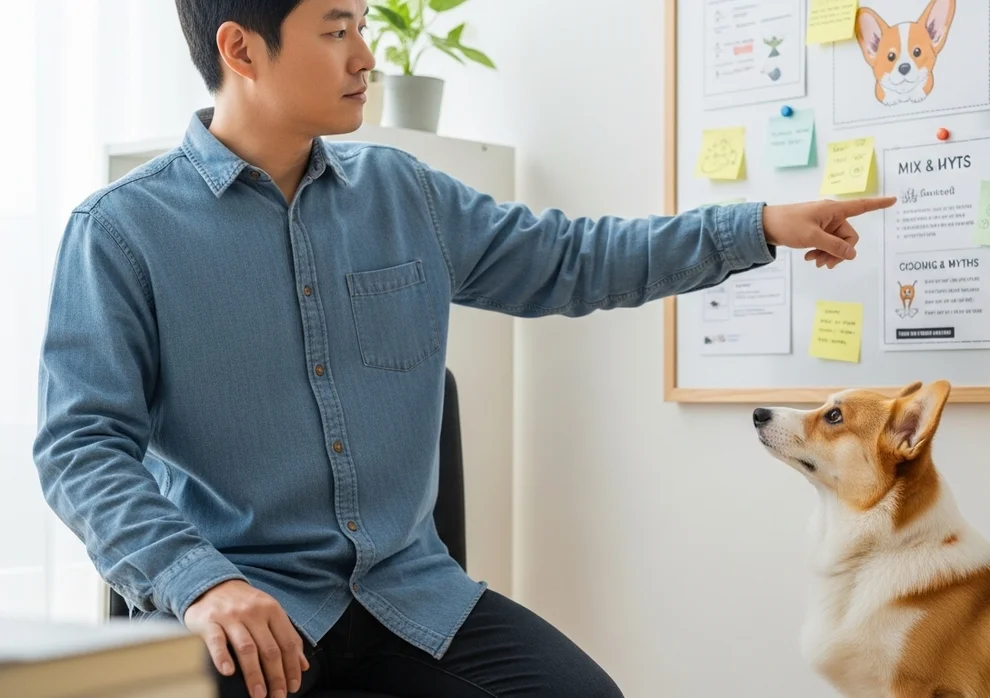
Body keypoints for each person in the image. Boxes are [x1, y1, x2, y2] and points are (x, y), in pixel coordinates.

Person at [31, 1, 895, 696]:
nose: (365, 55)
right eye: (337, 30)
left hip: (411, 597)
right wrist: (199, 581)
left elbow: (572, 259)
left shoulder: (402, 192)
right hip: (242, 610)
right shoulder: (123, 232)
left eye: (363, 28)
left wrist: (759, 228)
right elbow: (80, 446)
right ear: (241, 48)